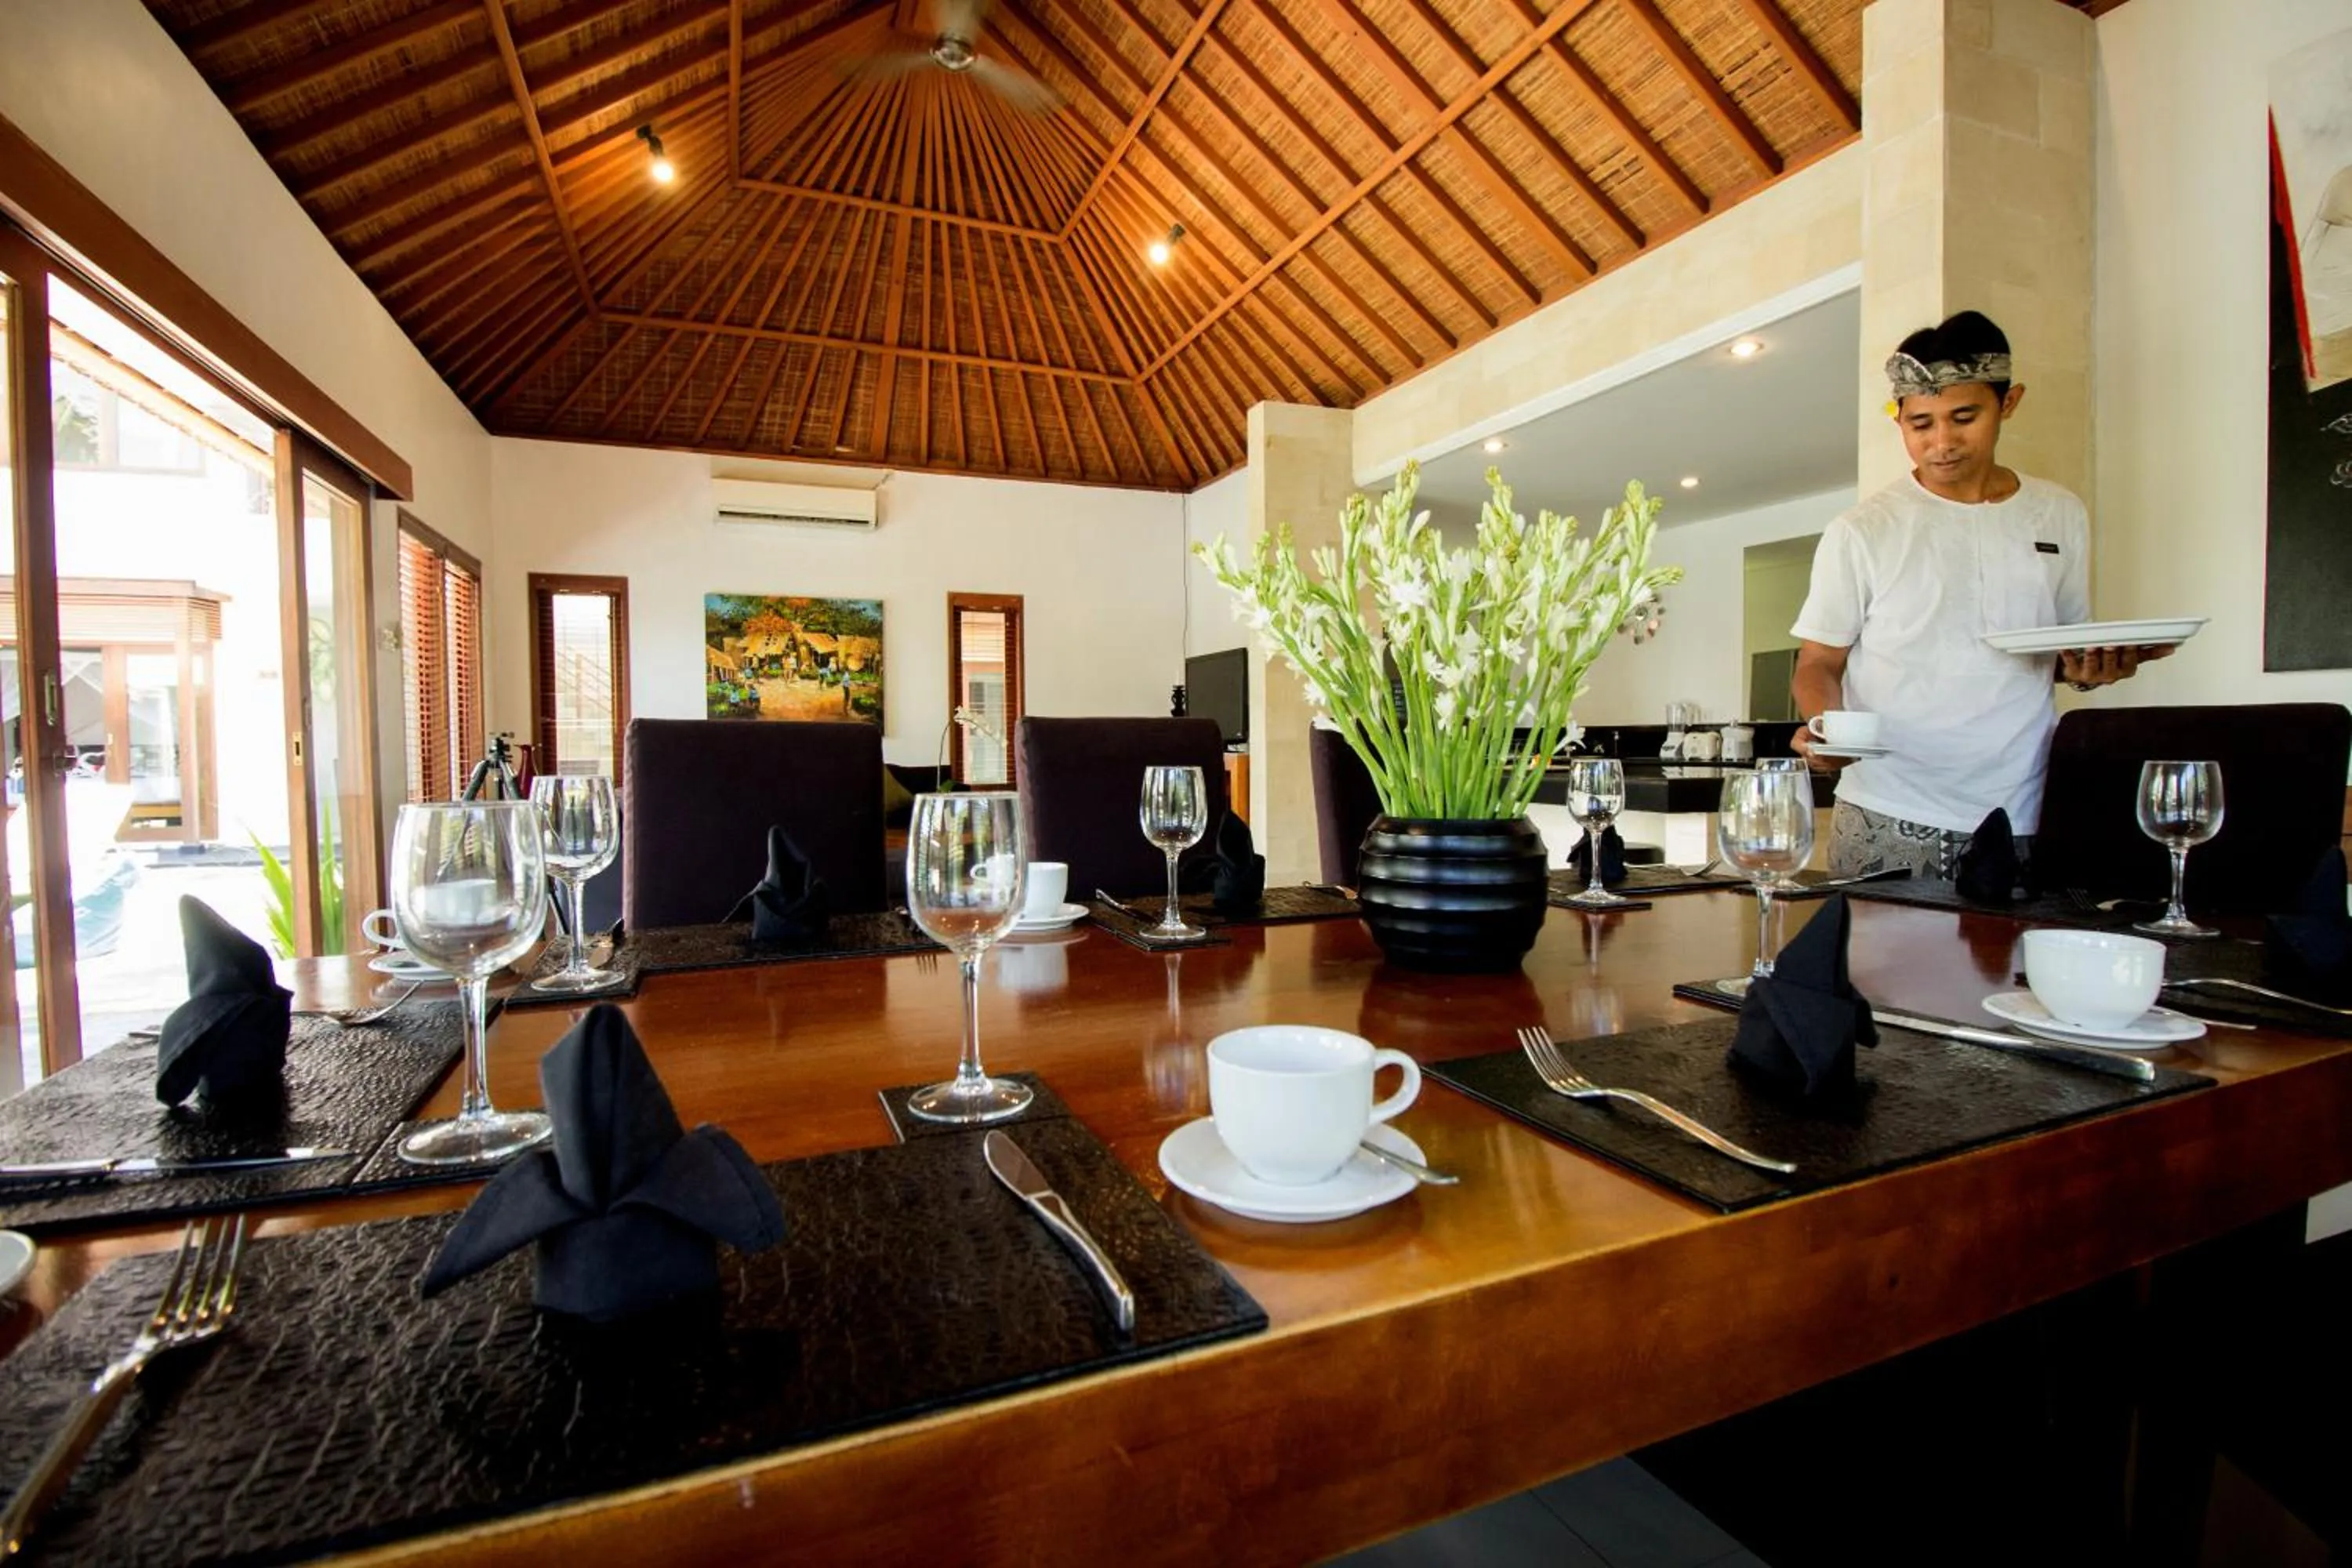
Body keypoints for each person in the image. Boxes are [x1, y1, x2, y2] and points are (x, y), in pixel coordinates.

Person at [1788, 310, 2170, 878]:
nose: (1942, 442)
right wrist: (1830, 731)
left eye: (1964, 418)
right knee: (1872, 944)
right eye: (1920, 424)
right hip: (1890, 807)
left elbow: (2062, 652)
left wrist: (2093, 669)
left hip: (2024, 809)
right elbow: (1818, 662)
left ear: (2008, 403)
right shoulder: (1864, 529)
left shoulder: (2059, 513)